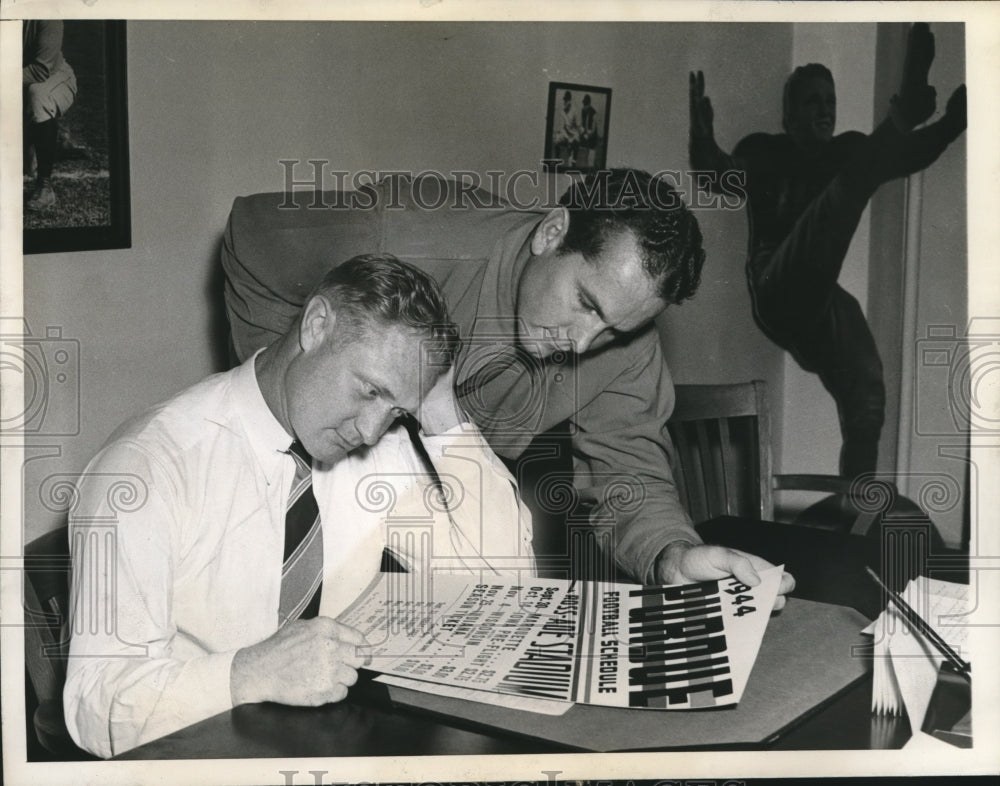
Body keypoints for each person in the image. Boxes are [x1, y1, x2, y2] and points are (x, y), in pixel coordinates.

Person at [222, 168, 797, 598]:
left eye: (614, 329)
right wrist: (296, 395)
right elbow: (255, 231)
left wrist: (673, 555)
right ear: (551, 233)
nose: (582, 343)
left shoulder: (628, 344)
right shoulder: (409, 232)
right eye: (586, 303)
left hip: (455, 501)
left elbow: (629, 474)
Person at [63, 254, 536, 758]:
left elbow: (504, 588)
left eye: (396, 409)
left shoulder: (377, 449)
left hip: (329, 749)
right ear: (316, 325)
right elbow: (98, 705)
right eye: (370, 390)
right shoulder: (146, 469)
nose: (371, 429)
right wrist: (249, 673)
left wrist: (440, 409)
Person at [688, 23, 967, 481]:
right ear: (789, 115)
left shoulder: (848, 150)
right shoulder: (764, 152)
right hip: (776, 285)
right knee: (845, 187)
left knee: (868, 393)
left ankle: (857, 503)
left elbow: (909, 155)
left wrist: (953, 124)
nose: (825, 110)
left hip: (820, 303)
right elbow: (720, 173)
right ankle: (902, 112)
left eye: (831, 102)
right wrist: (703, 141)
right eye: (812, 102)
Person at [23, 19, 77, 211]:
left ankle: (45, 186)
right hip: (16, 81)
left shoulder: (46, 12)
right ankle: (43, 136)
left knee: (39, 95)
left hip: (52, 78)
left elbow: (40, 71)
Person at [553, 90, 581, 167]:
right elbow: (563, 127)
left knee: (571, 163)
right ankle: (557, 163)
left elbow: (578, 127)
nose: (565, 102)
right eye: (564, 100)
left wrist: (574, 139)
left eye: (567, 100)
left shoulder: (575, 111)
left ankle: (573, 163)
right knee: (556, 142)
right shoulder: (562, 111)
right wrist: (564, 137)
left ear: (570, 100)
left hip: (574, 135)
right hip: (566, 134)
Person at [579, 93, 598, 168]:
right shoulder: (583, 110)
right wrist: (582, 132)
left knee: (591, 161)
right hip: (585, 135)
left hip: (592, 137)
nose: (584, 106)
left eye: (586, 104)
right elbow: (581, 124)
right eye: (584, 104)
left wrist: (588, 135)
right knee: (583, 157)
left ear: (589, 104)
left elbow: (593, 130)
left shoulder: (594, 113)